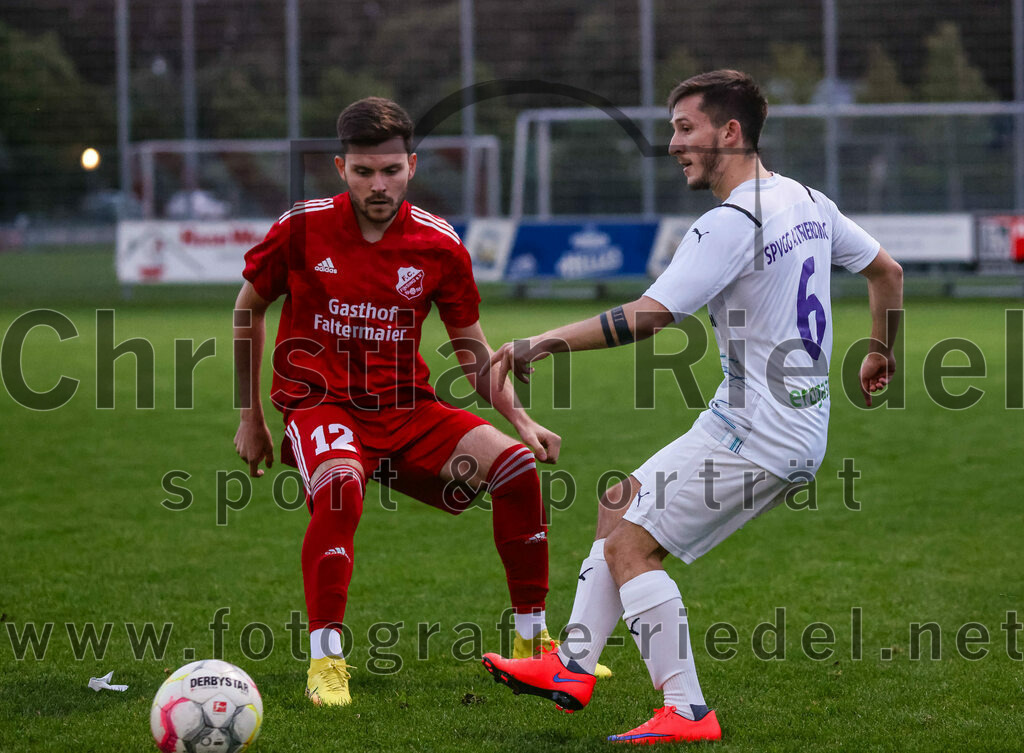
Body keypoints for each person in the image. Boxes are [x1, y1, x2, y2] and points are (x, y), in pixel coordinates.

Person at [480, 70, 904, 743]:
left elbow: (650, 317)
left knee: (629, 548)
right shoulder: (805, 199)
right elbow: (889, 272)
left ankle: (687, 709)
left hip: (759, 433)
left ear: (729, 133)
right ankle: (572, 664)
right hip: (766, 422)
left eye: (685, 128)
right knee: (620, 499)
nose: (672, 143)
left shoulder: (730, 222)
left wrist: (542, 342)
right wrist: (882, 349)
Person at [233, 97, 604, 708]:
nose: (377, 185)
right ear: (340, 168)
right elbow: (249, 307)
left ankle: (534, 644)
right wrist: (252, 417)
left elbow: (472, 348)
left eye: (389, 171)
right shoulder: (300, 228)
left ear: (411, 165)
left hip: (407, 411)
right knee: (340, 484)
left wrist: (520, 418)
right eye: (362, 172)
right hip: (320, 404)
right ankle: (326, 660)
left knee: (515, 467)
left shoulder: (438, 244)